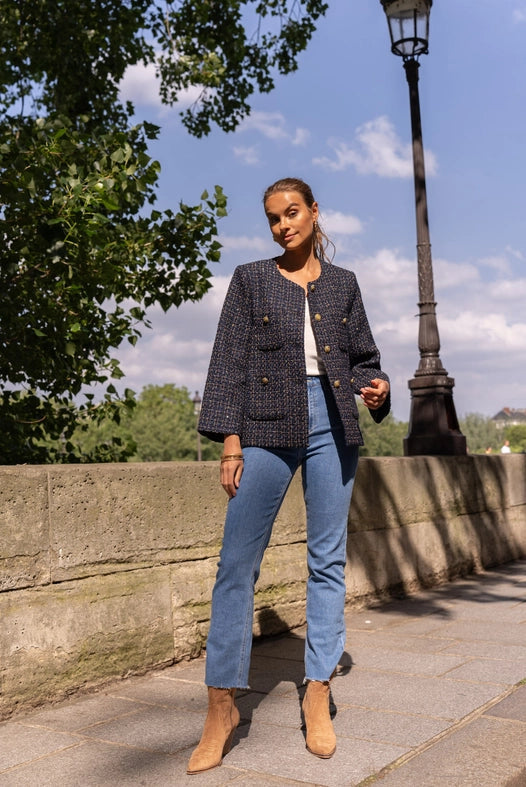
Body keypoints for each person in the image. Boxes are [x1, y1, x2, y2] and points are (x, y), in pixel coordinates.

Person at [187, 177, 390, 774]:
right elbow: (227, 361)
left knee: (326, 559)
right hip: (264, 426)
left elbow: (363, 359)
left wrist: (375, 388)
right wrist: (230, 442)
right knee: (235, 565)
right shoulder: (250, 279)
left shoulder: (345, 285)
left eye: (293, 213)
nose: (283, 225)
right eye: (274, 217)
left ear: (314, 212)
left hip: (333, 423)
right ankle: (221, 705)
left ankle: (319, 691)